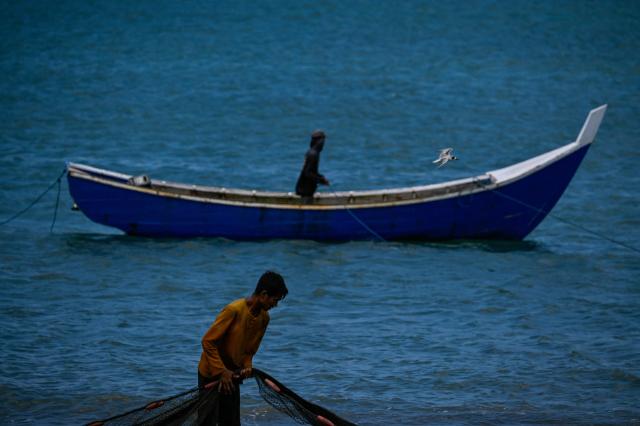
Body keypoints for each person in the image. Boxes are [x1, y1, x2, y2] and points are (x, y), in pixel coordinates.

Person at [198, 271, 288, 425]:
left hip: (232, 374)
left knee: (231, 421)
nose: (275, 304)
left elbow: (250, 350)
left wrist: (247, 366)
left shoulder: (264, 318)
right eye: (275, 300)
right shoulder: (233, 310)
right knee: (207, 421)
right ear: (264, 294)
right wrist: (221, 371)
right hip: (211, 373)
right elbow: (208, 341)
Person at [295, 130, 330, 199]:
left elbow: (311, 171)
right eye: (323, 141)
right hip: (304, 192)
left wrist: (321, 177)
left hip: (303, 189)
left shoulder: (312, 152)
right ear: (318, 141)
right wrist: (320, 180)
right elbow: (308, 173)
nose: (323, 144)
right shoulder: (313, 154)